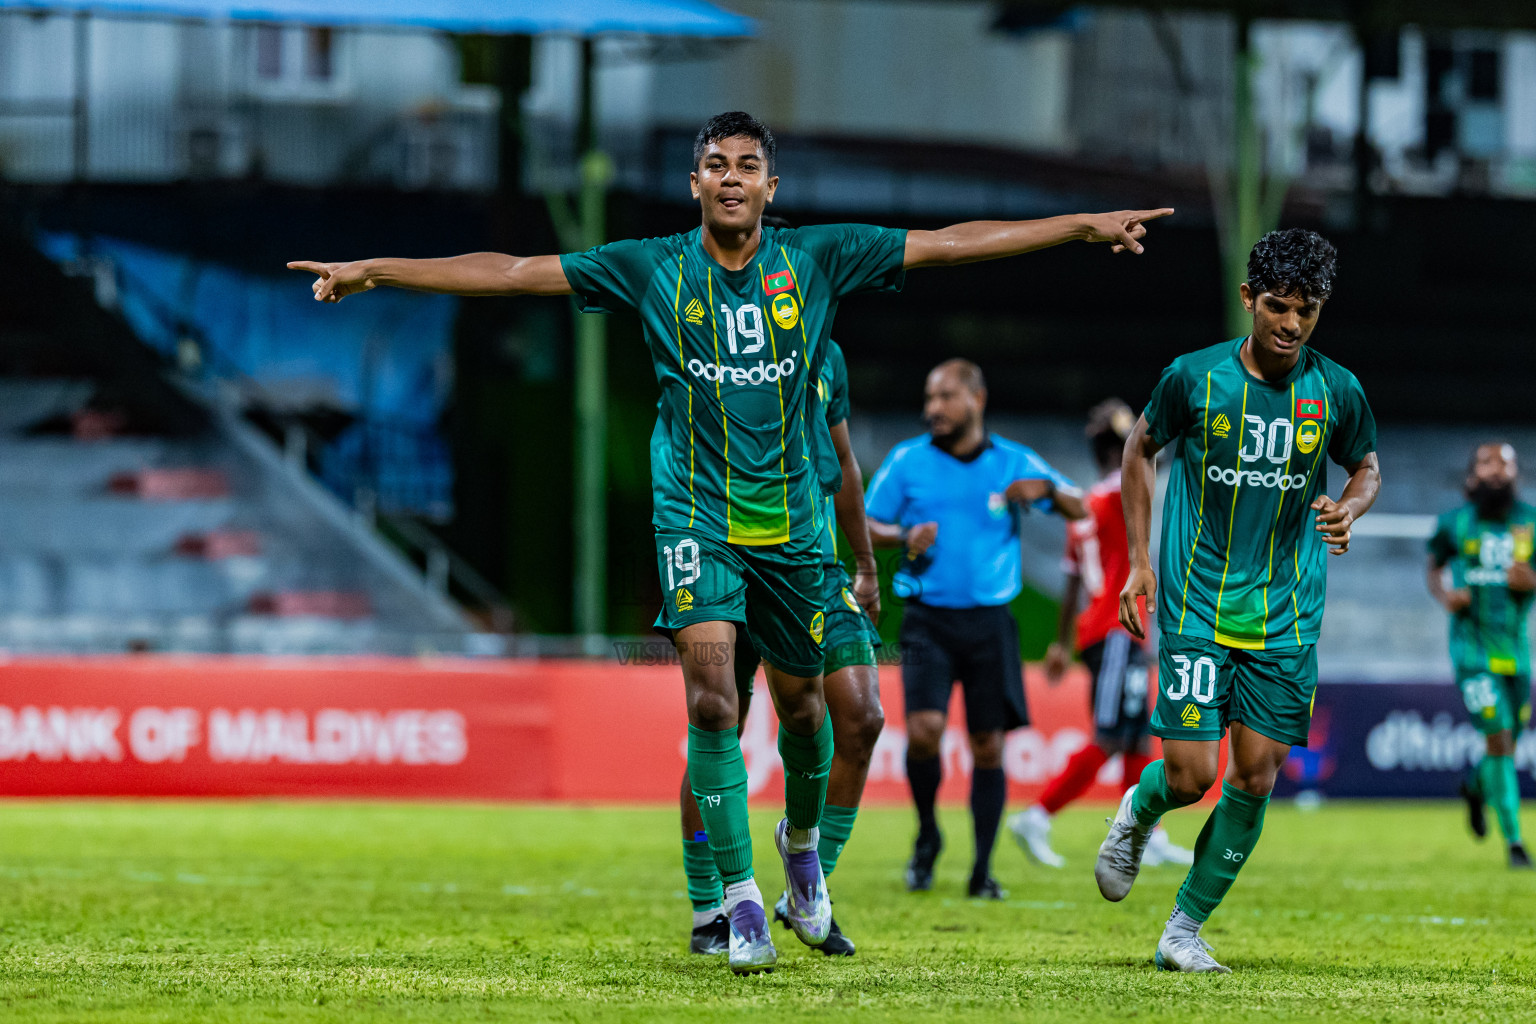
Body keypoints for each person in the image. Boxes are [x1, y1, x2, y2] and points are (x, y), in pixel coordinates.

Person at [289, 110, 1173, 974]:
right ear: (696, 182)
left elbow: (947, 242)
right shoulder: (652, 268)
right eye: (717, 164)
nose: (732, 179)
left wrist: (1077, 227)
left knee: (807, 715)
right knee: (713, 701)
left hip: (793, 534)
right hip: (697, 522)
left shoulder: (817, 257)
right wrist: (379, 271)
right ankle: (738, 903)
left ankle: (799, 856)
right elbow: (517, 271)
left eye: (748, 165)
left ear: (769, 184)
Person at [1098, 227, 1380, 974]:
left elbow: (1368, 467)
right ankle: (1140, 809)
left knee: (1254, 777)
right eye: (1280, 307)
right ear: (1249, 299)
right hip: (1196, 606)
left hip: (1285, 618)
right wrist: (1137, 566)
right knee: (1192, 777)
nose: (1292, 325)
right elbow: (1138, 449)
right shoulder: (1194, 378)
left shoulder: (1338, 390)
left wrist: (1350, 506)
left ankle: (1182, 931)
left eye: (1308, 311)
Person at [683, 337, 885, 958]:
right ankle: (710, 909)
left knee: (861, 718)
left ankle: (807, 887)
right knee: (721, 715)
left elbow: (844, 461)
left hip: (816, 569)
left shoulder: (828, 356)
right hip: (735, 559)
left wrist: (865, 561)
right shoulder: (711, 345)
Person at [865, 359, 1086, 899]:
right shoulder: (907, 461)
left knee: (988, 745)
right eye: (929, 398)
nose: (932, 409)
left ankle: (982, 869)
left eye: (944, 397)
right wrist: (902, 534)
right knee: (923, 732)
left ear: (976, 399)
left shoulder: (1013, 462)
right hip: (926, 619)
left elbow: (1080, 506)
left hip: (990, 623)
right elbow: (868, 520)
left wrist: (1049, 493)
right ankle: (927, 836)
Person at [1008, 399, 1192, 870]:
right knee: (1110, 736)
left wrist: (1060, 642)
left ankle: (1147, 835)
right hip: (1117, 628)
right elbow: (1158, 458)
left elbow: (1072, 582)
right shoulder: (1116, 496)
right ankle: (1037, 815)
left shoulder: (1087, 506)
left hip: (1105, 630)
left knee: (1135, 740)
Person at [1426, 442, 1535, 869]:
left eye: (1504, 464)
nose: (1496, 471)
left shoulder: (1529, 523)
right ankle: (1515, 842)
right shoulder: (1455, 525)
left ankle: (1475, 787)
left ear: (1515, 474)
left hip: (1517, 654)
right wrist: (1446, 595)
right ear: (1472, 476)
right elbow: (1433, 566)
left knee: (1507, 742)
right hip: (1472, 653)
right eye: (1487, 463)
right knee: (1501, 741)